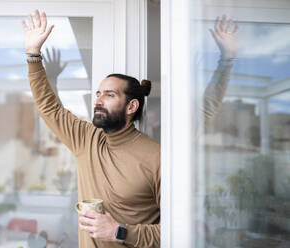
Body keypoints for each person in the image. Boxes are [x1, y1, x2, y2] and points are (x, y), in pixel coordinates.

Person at [21, 10, 238, 248]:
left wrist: (119, 232)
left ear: (131, 106)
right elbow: (49, 107)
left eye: (109, 95)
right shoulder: (86, 139)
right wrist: (33, 55)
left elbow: (177, 232)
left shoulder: (158, 156)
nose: (98, 101)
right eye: (98, 94)